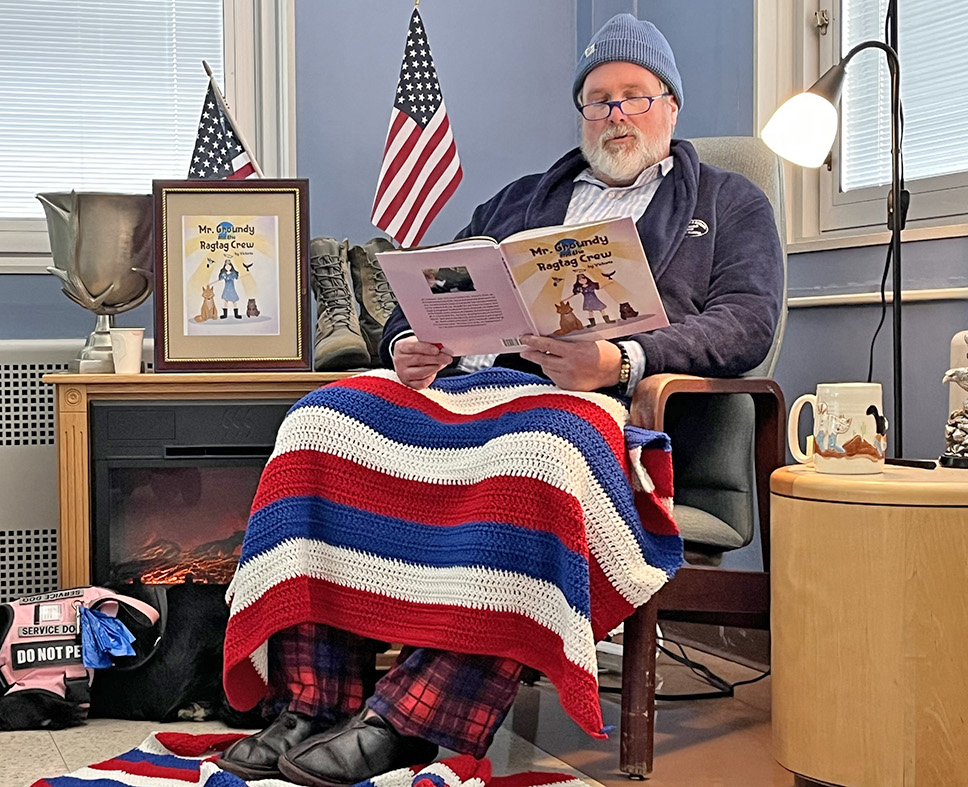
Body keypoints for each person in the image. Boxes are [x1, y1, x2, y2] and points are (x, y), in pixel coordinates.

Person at [218, 13, 782, 787]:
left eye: (633, 97)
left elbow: (747, 321)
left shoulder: (729, 201)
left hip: (613, 414)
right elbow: (421, 292)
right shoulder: (521, 200)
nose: (615, 115)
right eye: (598, 100)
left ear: (671, 106)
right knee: (320, 420)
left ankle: (407, 718)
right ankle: (314, 699)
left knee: (537, 453)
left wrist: (621, 357)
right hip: (475, 391)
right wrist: (403, 343)